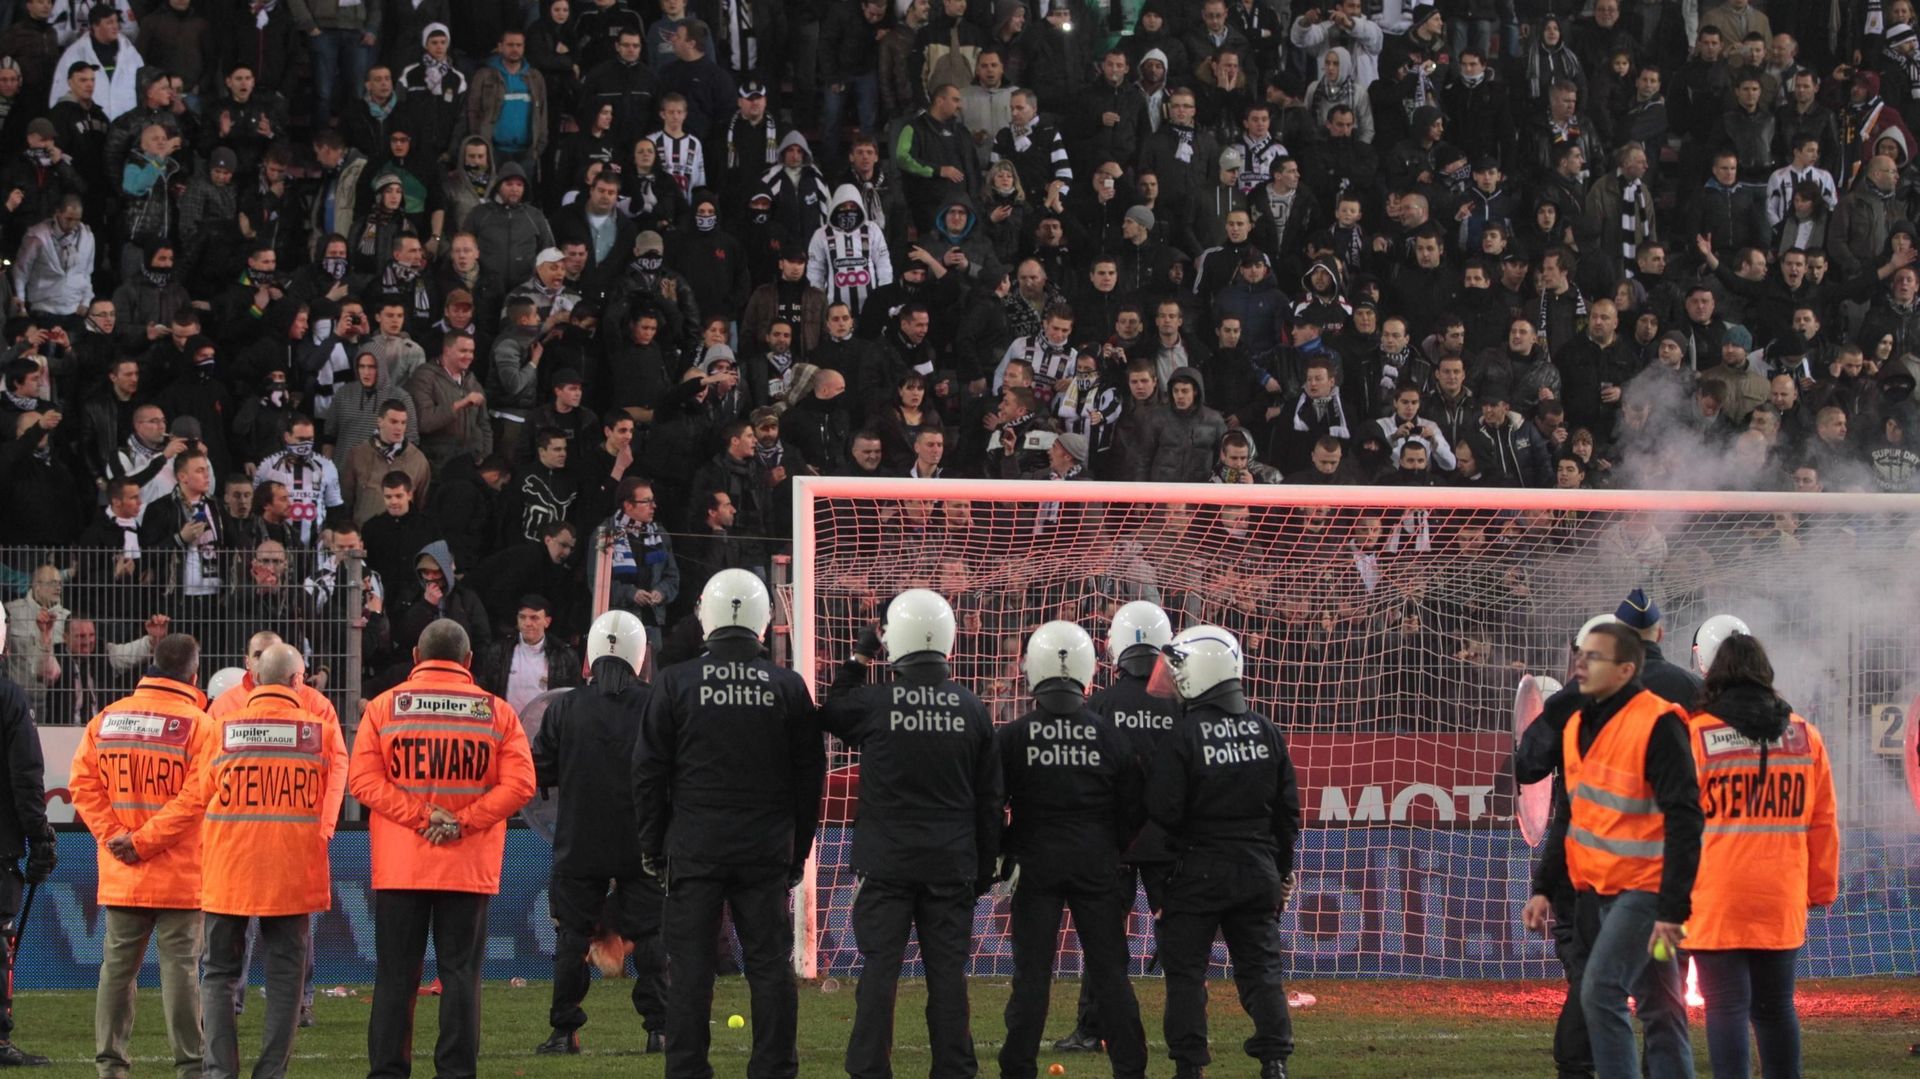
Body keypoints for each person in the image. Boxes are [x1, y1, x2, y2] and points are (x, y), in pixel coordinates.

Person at [635, 570, 824, 1076]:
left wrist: (654, 845)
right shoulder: (787, 686)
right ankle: (775, 1068)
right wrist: (797, 850)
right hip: (765, 851)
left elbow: (649, 772)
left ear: (706, 618)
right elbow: (810, 777)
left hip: (695, 847)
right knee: (769, 966)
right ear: (764, 619)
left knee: (692, 970)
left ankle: (687, 1069)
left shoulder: (675, 681)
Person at [821, 588, 1000, 1079]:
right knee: (947, 977)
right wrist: (984, 868)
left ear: (893, 642)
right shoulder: (971, 708)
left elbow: (831, 709)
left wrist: (860, 655)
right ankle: (955, 1069)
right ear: (949, 641)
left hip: (887, 865)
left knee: (879, 972)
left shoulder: (876, 703)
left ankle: (868, 1069)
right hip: (951, 863)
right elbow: (989, 800)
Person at [348, 618, 535, 1079]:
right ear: (468, 661)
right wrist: (462, 822)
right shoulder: (496, 713)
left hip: (400, 867)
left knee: (395, 977)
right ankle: (456, 1072)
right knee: (460, 977)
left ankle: (388, 1072)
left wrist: (421, 815)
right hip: (467, 867)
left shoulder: (385, 708)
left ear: (416, 656)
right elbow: (521, 785)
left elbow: (363, 782)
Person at [995, 620, 1149, 1079]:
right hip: (1097, 864)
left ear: (1031, 671)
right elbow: (1134, 809)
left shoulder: (1013, 735)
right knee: (1110, 973)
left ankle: (1017, 1067)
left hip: (1035, 864)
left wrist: (1007, 852)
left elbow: (988, 803)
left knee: (1032, 975)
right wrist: (1111, 848)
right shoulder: (1110, 735)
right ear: (1087, 671)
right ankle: (1130, 1068)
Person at [1147, 624, 1299, 1079]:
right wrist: (1280, 872)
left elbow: (1164, 810)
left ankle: (1190, 1066)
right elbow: (1287, 815)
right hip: (1256, 870)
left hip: (1197, 870)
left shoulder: (1184, 734)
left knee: (1186, 975)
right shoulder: (1266, 730)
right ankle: (1274, 1061)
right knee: (1261, 971)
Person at [1684, 631, 1838, 1079]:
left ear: (1715, 676)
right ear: (1766, 675)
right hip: (1781, 895)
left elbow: (1673, 820)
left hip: (1716, 897)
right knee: (1774, 1010)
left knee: (1727, 1007)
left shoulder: (1697, 734)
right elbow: (1823, 820)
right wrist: (1821, 887)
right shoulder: (1806, 737)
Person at [188, 643, 345, 1079]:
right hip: (292, 870)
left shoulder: (218, 729)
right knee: (285, 978)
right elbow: (332, 795)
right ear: (298, 682)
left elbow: (201, 794)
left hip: (227, 869)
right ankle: (270, 1073)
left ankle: (219, 1072)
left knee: (218, 974)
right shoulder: (321, 732)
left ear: (254, 679)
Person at [1555, 621, 1701, 1079]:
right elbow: (1572, 812)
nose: (1581, 664)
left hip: (1644, 889)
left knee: (1600, 989)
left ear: (1624, 670)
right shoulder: (1583, 722)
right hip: (1603, 887)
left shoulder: (1658, 721)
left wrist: (1673, 906)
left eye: (1593, 657)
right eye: (1581, 654)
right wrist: (1546, 883)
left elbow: (1685, 817)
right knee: (1661, 1007)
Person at [68, 633, 211, 1077]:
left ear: (151, 664)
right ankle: (191, 1068)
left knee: (116, 972)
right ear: (193, 673)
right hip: (180, 877)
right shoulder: (200, 726)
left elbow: (82, 785)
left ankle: (110, 1066)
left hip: (122, 871)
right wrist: (145, 840)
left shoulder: (107, 719)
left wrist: (118, 837)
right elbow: (196, 798)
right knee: (182, 975)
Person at [532, 609, 668, 1056]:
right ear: (639, 655)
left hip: (579, 842)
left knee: (572, 937)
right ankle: (660, 1030)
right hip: (643, 841)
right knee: (650, 935)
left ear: (590, 655)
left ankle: (563, 1032)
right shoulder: (656, 703)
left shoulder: (565, 707)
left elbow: (539, 769)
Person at [1059, 600, 1179, 1053]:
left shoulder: (1101, 704)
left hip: (1113, 842)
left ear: (1116, 648)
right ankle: (1187, 1031)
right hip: (1169, 840)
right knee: (1181, 937)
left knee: (1104, 939)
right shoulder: (1182, 706)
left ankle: (1093, 1030)